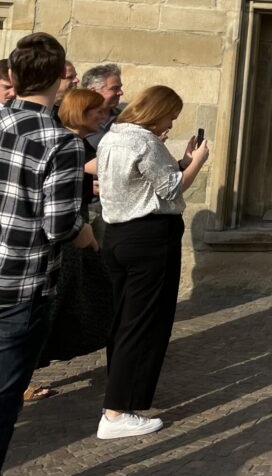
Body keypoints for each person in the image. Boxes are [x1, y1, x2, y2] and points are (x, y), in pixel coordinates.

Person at [0, 34, 94, 467]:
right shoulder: (61, 142)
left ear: (14, 77)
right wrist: (85, 233)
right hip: (20, 287)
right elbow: (58, 226)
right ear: (60, 79)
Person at [98, 85, 209, 440]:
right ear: (155, 111)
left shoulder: (113, 135)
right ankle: (116, 412)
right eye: (170, 116)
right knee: (144, 323)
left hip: (116, 236)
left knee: (124, 321)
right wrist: (199, 163)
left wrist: (181, 162)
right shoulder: (145, 141)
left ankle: (119, 397)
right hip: (149, 238)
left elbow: (147, 180)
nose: (171, 124)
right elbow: (173, 189)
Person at [33, 89, 112, 385]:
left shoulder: (77, 143)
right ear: (81, 112)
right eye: (97, 112)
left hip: (75, 233)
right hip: (67, 237)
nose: (103, 118)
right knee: (52, 308)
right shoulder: (66, 142)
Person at [81, 63, 124, 149]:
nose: (121, 93)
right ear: (93, 91)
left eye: (120, 88)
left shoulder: (124, 118)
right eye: (114, 88)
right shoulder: (76, 118)